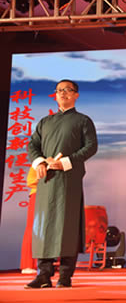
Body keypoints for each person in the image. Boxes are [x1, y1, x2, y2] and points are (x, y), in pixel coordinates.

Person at [26, 79, 98, 289]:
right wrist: (40, 162)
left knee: (68, 226)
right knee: (44, 226)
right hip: (46, 180)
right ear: (55, 95)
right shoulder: (45, 122)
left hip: (69, 179)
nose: (63, 93)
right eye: (59, 90)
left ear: (76, 95)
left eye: (68, 90)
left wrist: (66, 162)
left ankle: (65, 276)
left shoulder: (83, 121)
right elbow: (32, 146)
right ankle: (43, 275)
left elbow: (91, 147)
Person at [20, 167, 38, 274]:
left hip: (55, 197)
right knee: (32, 229)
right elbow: (30, 181)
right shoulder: (39, 161)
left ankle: (50, 264)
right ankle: (28, 264)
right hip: (38, 195)